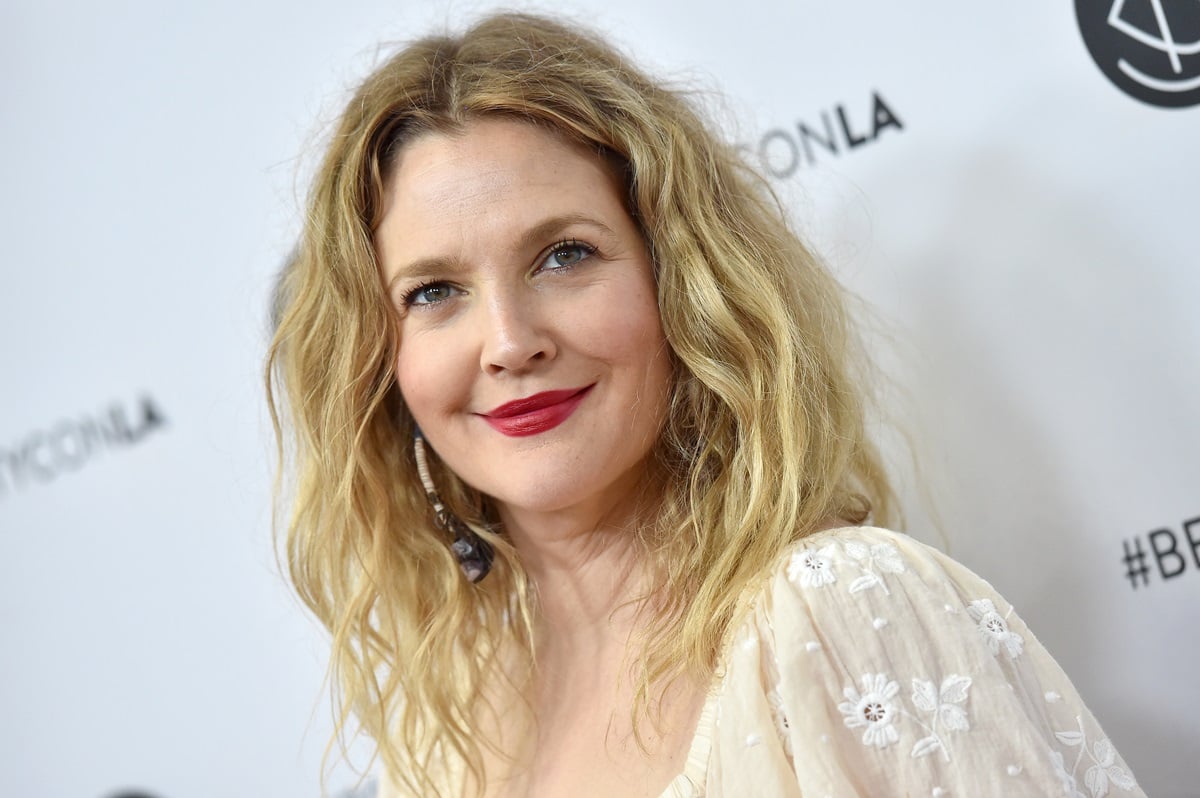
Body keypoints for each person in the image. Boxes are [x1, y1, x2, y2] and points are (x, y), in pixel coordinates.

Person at [267, 12, 1143, 798]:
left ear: (683, 283)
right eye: (433, 293)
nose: (507, 340)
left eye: (564, 256)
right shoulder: (444, 718)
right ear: (380, 364)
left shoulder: (837, 615)